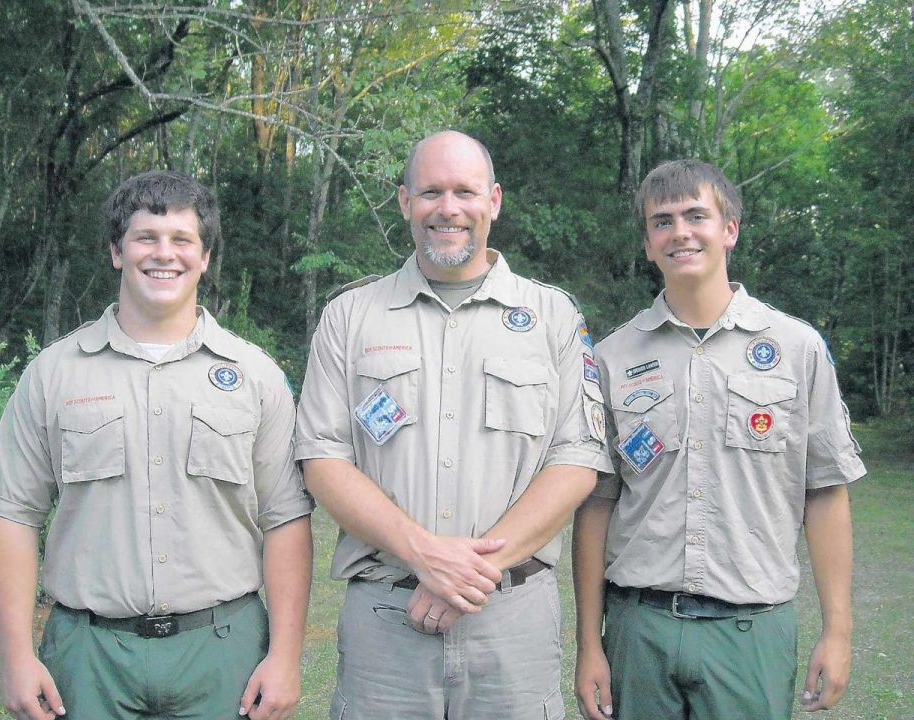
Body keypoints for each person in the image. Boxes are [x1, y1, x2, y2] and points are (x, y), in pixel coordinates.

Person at [0, 171, 314, 720]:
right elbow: (12, 515)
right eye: (145, 237)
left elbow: (286, 520)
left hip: (223, 653)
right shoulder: (54, 374)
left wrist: (286, 656)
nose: (164, 254)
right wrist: (14, 656)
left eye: (182, 239)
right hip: (89, 658)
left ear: (205, 257)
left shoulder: (256, 377)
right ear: (116, 251)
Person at [294, 130, 612, 719]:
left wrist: (467, 575)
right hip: (386, 624)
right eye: (430, 192)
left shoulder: (553, 316)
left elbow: (576, 460)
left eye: (464, 192)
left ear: (494, 200)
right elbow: (323, 460)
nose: (448, 208)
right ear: (404, 201)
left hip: (513, 624)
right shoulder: (349, 316)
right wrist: (423, 555)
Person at [572, 159, 866, 720]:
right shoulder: (610, 358)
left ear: (729, 229)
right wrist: (590, 644)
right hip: (640, 630)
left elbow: (826, 491)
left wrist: (838, 632)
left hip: (751, 632)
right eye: (662, 222)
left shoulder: (797, 348)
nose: (680, 232)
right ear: (648, 244)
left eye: (696, 216)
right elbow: (597, 504)